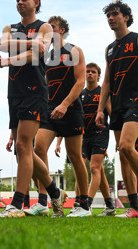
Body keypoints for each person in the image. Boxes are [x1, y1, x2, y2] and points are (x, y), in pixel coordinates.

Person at [0, 0, 66, 218]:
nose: (20, 2)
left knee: (24, 145)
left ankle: (17, 204)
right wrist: (30, 43)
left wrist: (8, 60)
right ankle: (54, 191)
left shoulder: (44, 27)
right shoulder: (9, 28)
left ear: (36, 2)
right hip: (14, 91)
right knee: (23, 149)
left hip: (35, 91)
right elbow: (3, 45)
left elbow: (36, 54)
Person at [95, 0, 138, 218]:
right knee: (123, 155)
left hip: (137, 100)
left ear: (126, 17)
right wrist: (100, 110)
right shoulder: (110, 49)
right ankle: (133, 206)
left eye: (115, 14)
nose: (111, 18)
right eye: (108, 16)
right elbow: (107, 83)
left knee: (126, 146)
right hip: (118, 105)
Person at [27, 16, 88, 217]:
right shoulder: (47, 56)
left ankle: (83, 205)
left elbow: (81, 82)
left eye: (52, 27)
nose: (47, 30)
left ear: (61, 30)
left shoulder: (74, 50)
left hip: (71, 109)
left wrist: (65, 104)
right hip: (49, 110)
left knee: (75, 156)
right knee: (38, 148)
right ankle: (45, 200)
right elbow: (44, 84)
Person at [75, 62, 116, 216]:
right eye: (87, 71)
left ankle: (87, 205)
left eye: (93, 72)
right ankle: (110, 206)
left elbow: (112, 114)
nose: (89, 74)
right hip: (84, 136)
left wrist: (117, 139)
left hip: (101, 134)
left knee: (93, 168)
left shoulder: (103, 93)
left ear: (99, 75)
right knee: (95, 169)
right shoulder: (81, 93)